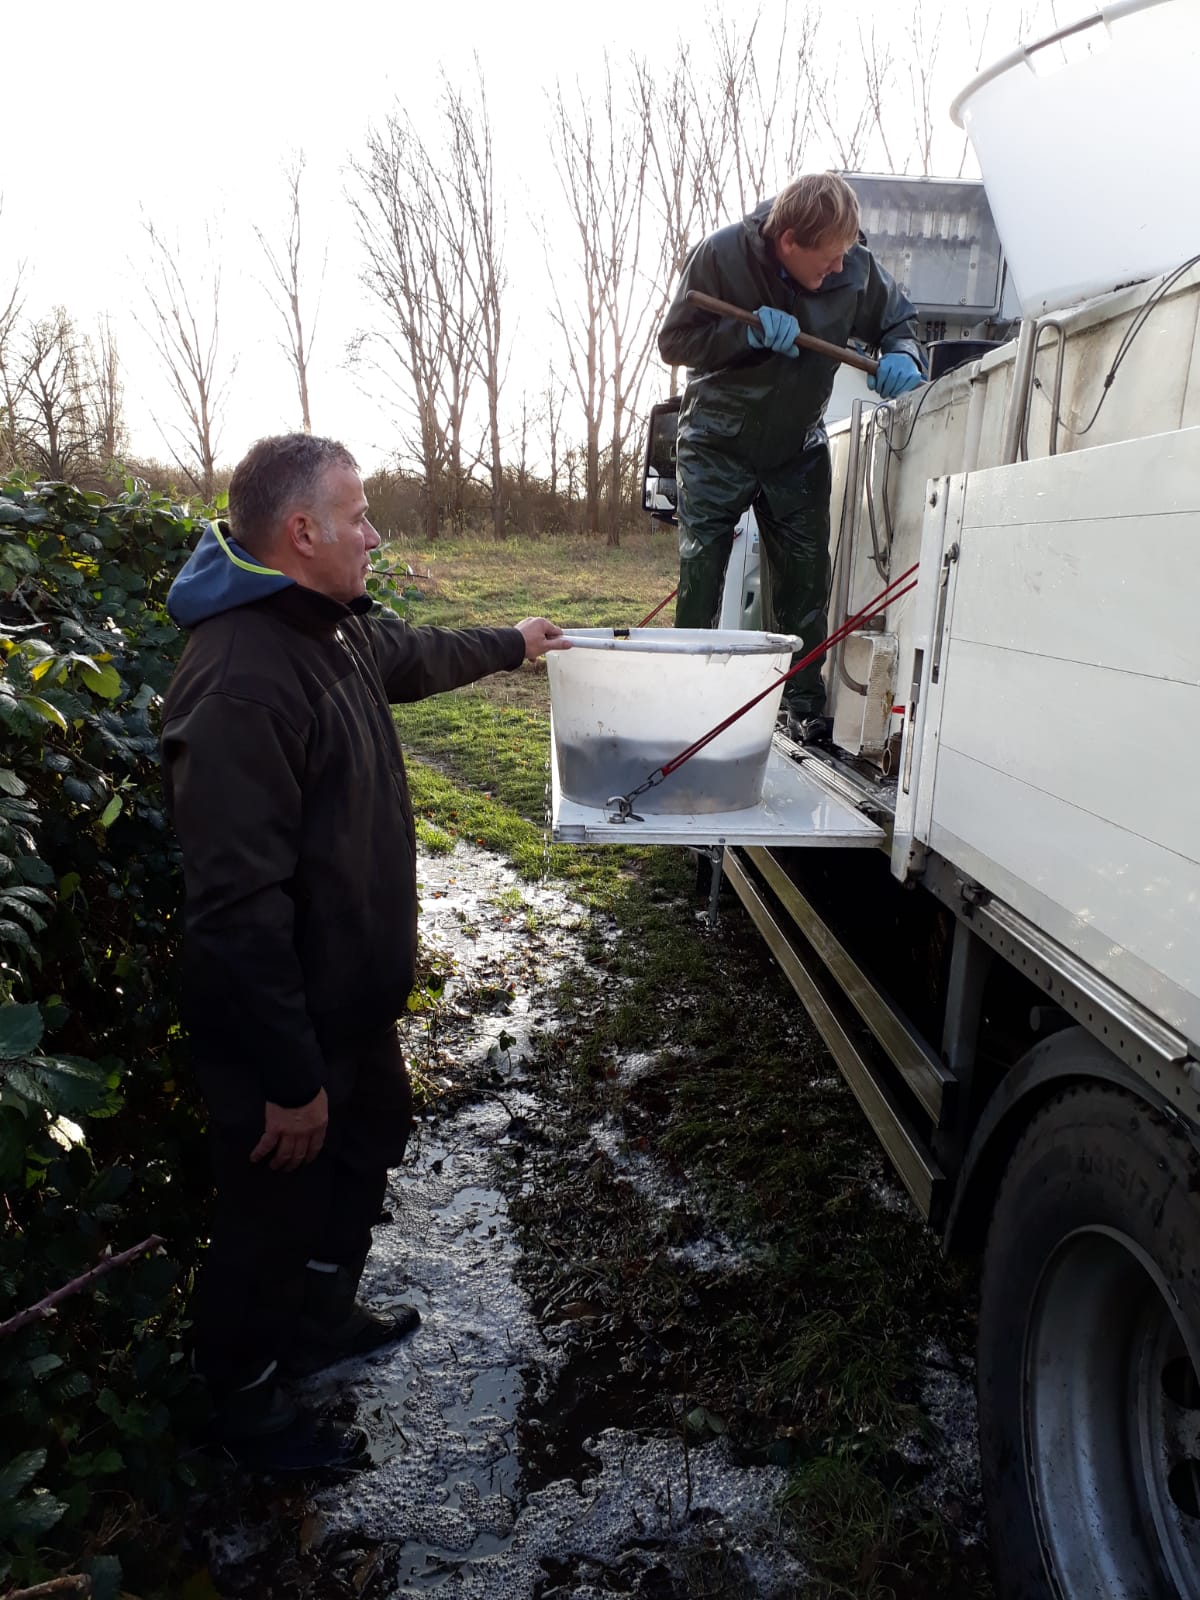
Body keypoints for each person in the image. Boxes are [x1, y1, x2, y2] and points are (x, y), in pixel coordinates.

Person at [160, 433, 568, 1471]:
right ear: (303, 532)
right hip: (280, 1031)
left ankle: (319, 1321)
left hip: (349, 1007)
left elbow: (412, 655)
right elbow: (235, 912)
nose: (375, 535)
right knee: (268, 1213)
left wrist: (515, 642)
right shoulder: (242, 679)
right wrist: (289, 1080)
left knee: (369, 1139)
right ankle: (247, 1405)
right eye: (359, 517)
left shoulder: (329, 627)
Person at [658, 171, 925, 743]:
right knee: (702, 572)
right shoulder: (722, 254)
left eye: (844, 255)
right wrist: (744, 336)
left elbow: (899, 321)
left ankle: (802, 705)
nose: (839, 267)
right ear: (788, 242)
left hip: (797, 445)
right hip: (716, 439)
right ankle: (684, 702)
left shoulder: (853, 269)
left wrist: (903, 351)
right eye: (827, 259)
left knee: (806, 579)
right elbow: (674, 342)